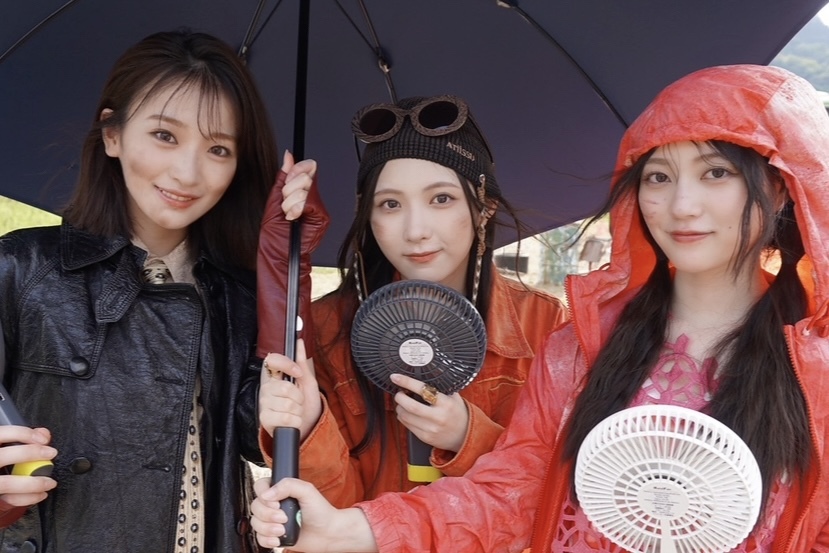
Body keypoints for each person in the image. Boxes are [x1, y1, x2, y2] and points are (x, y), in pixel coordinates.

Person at [250, 64, 829, 551]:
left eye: (716, 173)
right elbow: (513, 494)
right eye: (657, 176)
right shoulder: (583, 346)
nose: (682, 204)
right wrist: (354, 528)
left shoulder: (816, 365)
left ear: (781, 185)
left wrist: (466, 434)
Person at [0, 29, 312, 553]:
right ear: (112, 135)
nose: (187, 172)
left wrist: (284, 269)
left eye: (218, 148)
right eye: (165, 135)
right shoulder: (21, 268)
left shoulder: (235, 294)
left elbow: (257, 439)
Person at [256, 94, 567, 509]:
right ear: (368, 216)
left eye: (441, 199)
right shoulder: (328, 329)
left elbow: (560, 497)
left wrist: (468, 437)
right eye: (390, 204)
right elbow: (327, 516)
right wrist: (310, 423)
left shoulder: (546, 326)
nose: (416, 230)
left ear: (484, 207)